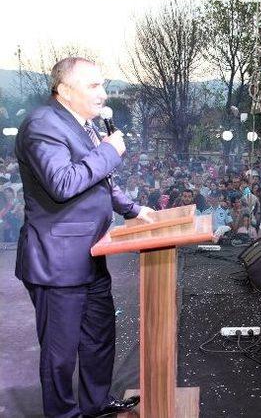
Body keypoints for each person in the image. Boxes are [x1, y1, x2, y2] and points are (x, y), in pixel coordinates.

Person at [14, 57, 155, 417]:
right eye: (93, 86)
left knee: (99, 338)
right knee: (60, 354)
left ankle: (95, 403)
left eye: (102, 84)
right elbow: (62, 184)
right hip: (57, 262)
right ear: (64, 90)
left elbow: (100, 184)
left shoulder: (82, 125)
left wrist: (134, 210)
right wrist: (110, 151)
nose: (103, 93)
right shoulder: (42, 125)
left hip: (91, 255)